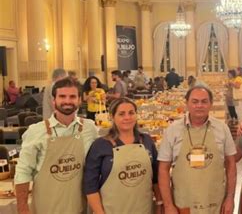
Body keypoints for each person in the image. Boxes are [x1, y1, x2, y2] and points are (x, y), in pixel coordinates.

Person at [15, 77, 98, 214]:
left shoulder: (90, 128)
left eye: (72, 96)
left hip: (80, 208)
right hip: (46, 209)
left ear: (79, 100)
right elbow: (23, 173)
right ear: (54, 101)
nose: (67, 101)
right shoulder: (36, 131)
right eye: (62, 96)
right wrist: (23, 210)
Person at [158, 86, 237, 214]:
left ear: (210, 104)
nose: (199, 105)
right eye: (195, 101)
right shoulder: (172, 130)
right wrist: (168, 205)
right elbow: (163, 169)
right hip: (182, 205)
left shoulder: (222, 129)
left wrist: (230, 198)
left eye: (204, 101)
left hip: (216, 204)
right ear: (187, 103)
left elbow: (231, 164)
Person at [84, 98, 161, 214]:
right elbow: (90, 186)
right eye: (121, 114)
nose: (127, 117)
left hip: (144, 209)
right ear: (112, 117)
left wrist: (160, 203)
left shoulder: (146, 141)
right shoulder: (100, 146)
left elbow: (156, 178)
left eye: (131, 113)